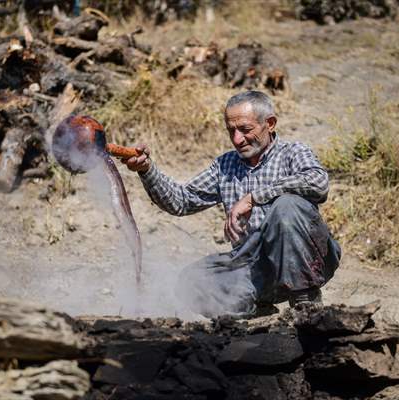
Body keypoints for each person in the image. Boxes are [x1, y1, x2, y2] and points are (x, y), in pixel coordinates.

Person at [121, 90, 341, 317]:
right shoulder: (225, 165)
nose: (237, 139)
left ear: (270, 124)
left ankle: (306, 304)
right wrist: (146, 170)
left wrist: (254, 197)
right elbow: (181, 201)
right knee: (192, 282)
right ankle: (257, 315)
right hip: (254, 265)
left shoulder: (294, 152)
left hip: (309, 259)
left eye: (245, 130)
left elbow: (318, 182)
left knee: (287, 206)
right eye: (231, 131)